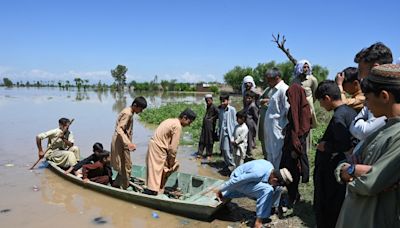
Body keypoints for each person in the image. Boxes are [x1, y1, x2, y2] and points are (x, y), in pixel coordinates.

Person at [335, 64, 400, 228]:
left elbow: (370, 183)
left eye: (368, 98)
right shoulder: (384, 127)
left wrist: (350, 170)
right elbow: (347, 166)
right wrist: (352, 169)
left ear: (384, 96)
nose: (365, 104)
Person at [313, 80, 357, 228]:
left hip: (332, 170)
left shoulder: (339, 116)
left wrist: (326, 146)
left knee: (328, 206)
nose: (321, 105)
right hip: (343, 166)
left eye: (320, 101)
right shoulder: (349, 111)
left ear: (327, 98)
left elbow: (344, 143)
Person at [214, 159, 292, 228]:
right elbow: (237, 180)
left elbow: (275, 186)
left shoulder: (271, 169)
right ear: (274, 179)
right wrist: (220, 189)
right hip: (237, 178)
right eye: (276, 183)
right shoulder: (257, 173)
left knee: (277, 188)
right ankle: (258, 222)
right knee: (267, 190)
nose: (276, 185)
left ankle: (270, 209)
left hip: (249, 180)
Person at [146, 108, 196, 195]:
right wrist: (171, 162)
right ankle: (155, 191)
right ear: (184, 118)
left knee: (156, 170)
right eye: (189, 122)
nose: (189, 125)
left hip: (154, 146)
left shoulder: (170, 120)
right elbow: (173, 149)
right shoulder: (177, 126)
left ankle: (157, 187)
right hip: (159, 148)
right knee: (168, 167)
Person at [350, 42, 392, 143]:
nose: (359, 77)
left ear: (375, 68)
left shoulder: (387, 97)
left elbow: (363, 132)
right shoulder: (373, 95)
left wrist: (357, 122)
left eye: (360, 71)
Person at [280, 83, 312, 206]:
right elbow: (293, 123)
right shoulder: (294, 108)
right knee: (287, 168)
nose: (288, 100)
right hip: (290, 143)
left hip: (296, 146)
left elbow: (302, 130)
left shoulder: (303, 111)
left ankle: (293, 196)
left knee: (293, 171)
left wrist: (296, 148)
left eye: (289, 97)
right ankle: (293, 194)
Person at [111, 96, 147, 189]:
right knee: (126, 166)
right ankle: (124, 186)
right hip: (121, 141)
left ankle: (118, 183)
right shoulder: (128, 113)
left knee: (125, 165)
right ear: (135, 105)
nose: (141, 111)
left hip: (123, 141)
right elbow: (119, 128)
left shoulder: (129, 112)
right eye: (141, 109)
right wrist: (128, 143)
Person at [263, 68, 289, 169]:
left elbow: (288, 110)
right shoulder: (273, 90)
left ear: (277, 78)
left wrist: (285, 127)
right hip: (270, 128)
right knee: (270, 151)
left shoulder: (284, 89)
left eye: (269, 80)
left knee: (277, 153)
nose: (268, 82)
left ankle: (277, 176)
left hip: (278, 128)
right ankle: (271, 175)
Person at [291, 59, 318, 128]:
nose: (306, 69)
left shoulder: (313, 79)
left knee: (307, 126)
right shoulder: (294, 80)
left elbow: (315, 94)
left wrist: (310, 101)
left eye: (307, 67)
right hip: (297, 106)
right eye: (304, 67)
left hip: (308, 106)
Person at [218, 94, 237, 170]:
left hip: (230, 131)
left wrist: (235, 132)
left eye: (224, 101)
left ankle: (232, 164)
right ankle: (228, 164)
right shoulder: (220, 110)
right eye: (221, 101)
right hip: (223, 132)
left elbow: (235, 121)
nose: (222, 103)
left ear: (228, 101)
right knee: (224, 149)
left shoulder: (232, 109)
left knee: (229, 149)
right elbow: (220, 121)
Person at [197, 94, 219, 160]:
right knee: (202, 139)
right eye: (206, 101)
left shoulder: (214, 106)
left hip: (210, 126)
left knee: (209, 140)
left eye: (209, 100)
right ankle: (200, 153)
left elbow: (218, 114)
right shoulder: (208, 106)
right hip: (205, 126)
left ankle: (209, 154)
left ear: (212, 100)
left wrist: (212, 119)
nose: (208, 102)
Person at [243, 90, 259, 157]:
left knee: (250, 138)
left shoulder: (253, 106)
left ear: (252, 99)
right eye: (246, 98)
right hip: (246, 123)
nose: (247, 99)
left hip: (250, 124)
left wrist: (255, 125)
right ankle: (247, 150)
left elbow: (256, 117)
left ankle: (249, 151)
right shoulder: (247, 105)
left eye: (249, 98)